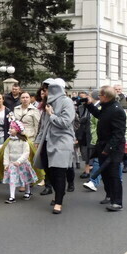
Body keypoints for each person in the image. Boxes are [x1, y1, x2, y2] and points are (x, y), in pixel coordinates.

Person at [33, 79, 75, 214]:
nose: (43, 93)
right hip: (47, 141)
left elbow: (65, 122)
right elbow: (43, 125)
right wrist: (38, 139)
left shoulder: (66, 102)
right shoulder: (47, 104)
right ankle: (59, 193)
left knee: (59, 172)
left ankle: (58, 202)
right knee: (49, 171)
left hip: (62, 142)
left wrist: (51, 114)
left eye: (45, 90)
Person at [85, 86, 126, 212]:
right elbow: (100, 116)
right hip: (102, 145)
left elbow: (119, 133)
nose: (99, 97)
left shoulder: (117, 110)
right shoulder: (106, 107)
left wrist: (108, 149)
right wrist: (89, 105)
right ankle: (109, 195)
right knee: (105, 174)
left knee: (113, 175)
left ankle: (117, 202)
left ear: (106, 96)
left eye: (100, 95)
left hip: (113, 148)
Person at [1, 121, 38, 203]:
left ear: (17, 130)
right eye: (10, 128)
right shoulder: (9, 141)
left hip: (22, 164)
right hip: (12, 164)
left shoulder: (24, 141)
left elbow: (26, 153)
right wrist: (6, 164)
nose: (10, 129)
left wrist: (19, 161)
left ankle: (28, 191)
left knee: (26, 178)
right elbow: (6, 153)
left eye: (12, 128)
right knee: (12, 180)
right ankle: (12, 196)